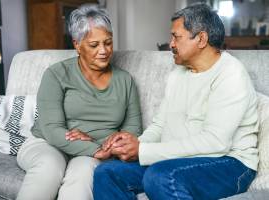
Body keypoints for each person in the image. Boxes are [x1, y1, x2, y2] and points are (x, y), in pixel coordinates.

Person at [93, 4, 259, 200]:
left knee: (161, 177)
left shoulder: (230, 73)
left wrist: (143, 151)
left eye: (176, 37)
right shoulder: (178, 73)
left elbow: (215, 142)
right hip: (180, 161)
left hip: (231, 164)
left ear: (201, 39)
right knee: (107, 173)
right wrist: (131, 147)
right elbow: (159, 125)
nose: (171, 44)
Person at [16, 4, 142, 200]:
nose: (104, 51)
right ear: (77, 44)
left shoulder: (125, 80)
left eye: (108, 42)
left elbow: (133, 129)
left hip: (93, 153)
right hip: (48, 144)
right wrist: (96, 148)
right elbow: (51, 129)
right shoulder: (57, 74)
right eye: (94, 45)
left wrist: (104, 147)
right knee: (49, 168)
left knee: (83, 174)